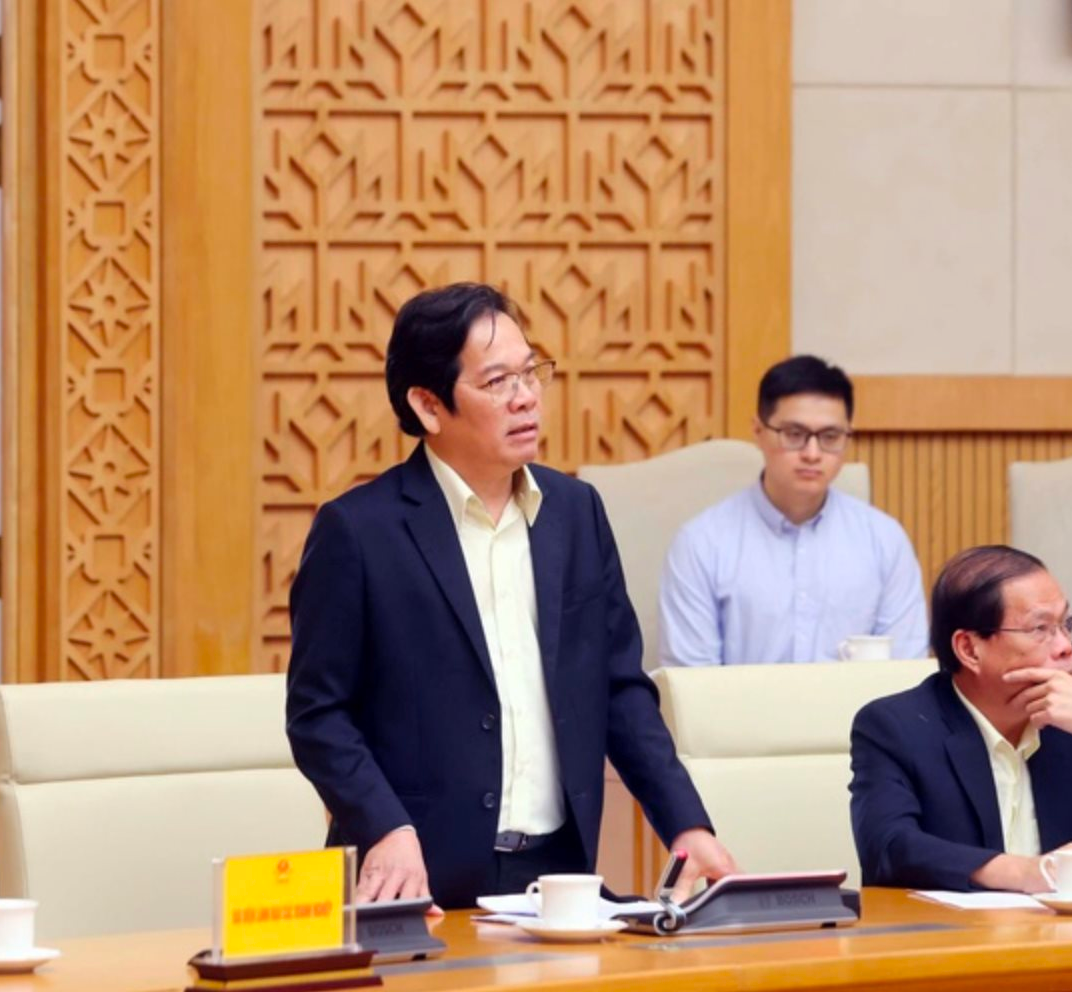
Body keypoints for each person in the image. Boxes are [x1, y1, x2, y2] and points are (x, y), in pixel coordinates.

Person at [286, 283, 737, 909]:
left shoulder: (576, 513)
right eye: (497, 382)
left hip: (556, 877)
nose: (526, 397)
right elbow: (318, 715)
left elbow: (619, 690)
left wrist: (687, 825)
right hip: (414, 880)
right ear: (428, 405)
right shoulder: (360, 531)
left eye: (531, 373)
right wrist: (385, 827)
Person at [850, 546, 1072, 892]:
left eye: (1065, 624)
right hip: (951, 926)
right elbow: (888, 849)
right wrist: (1024, 873)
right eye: (1040, 628)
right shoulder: (896, 728)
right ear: (969, 649)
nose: (1066, 646)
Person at [657, 355, 927, 666]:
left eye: (830, 437)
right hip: (740, 702)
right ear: (758, 430)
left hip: (861, 702)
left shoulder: (885, 540)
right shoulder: (701, 543)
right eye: (794, 434)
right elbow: (691, 679)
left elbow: (905, 668)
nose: (812, 454)